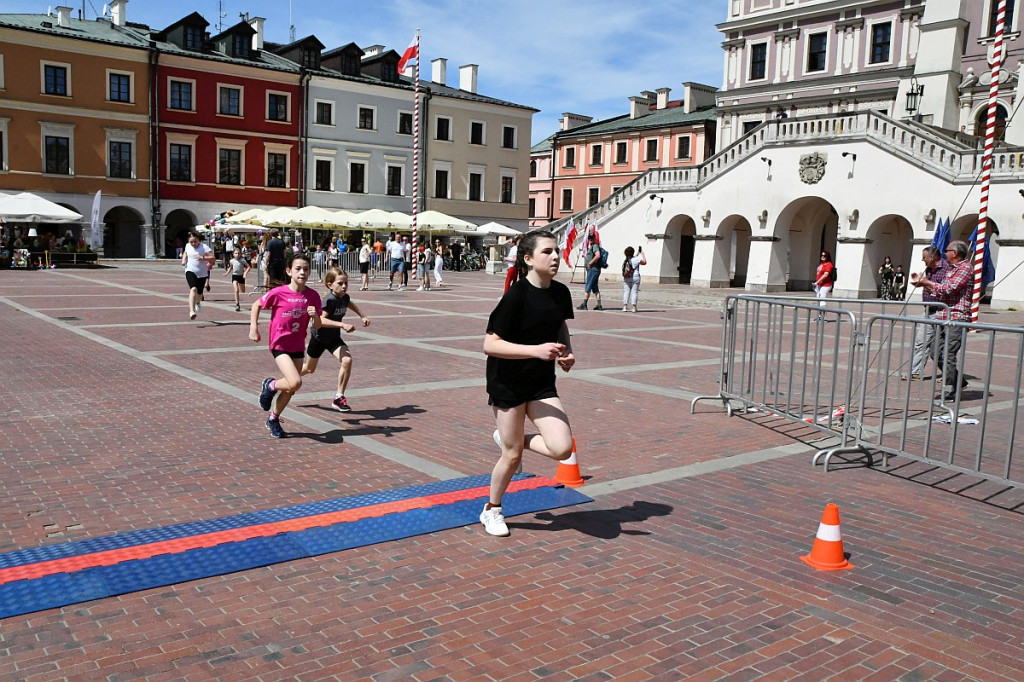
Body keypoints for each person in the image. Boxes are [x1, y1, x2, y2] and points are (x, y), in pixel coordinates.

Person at [480, 230, 576, 537]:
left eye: (557, 251)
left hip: (541, 381)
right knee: (512, 457)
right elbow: (489, 345)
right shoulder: (515, 296)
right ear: (528, 259)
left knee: (562, 449)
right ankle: (491, 510)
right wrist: (535, 351)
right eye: (547, 252)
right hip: (507, 382)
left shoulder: (561, 293)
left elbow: (559, 325)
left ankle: (513, 438)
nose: (556, 257)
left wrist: (567, 352)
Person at [250, 253, 323, 438]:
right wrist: (254, 328)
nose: (302, 272)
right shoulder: (279, 292)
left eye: (306, 269)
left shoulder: (312, 296)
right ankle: (270, 385)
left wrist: (314, 315)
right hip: (279, 344)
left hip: (298, 345)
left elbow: (318, 325)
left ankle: (273, 419)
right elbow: (256, 305)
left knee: (291, 388)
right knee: (296, 381)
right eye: (298, 269)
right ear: (289, 271)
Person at [910, 240, 972, 401]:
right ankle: (958, 381)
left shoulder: (965, 268)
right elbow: (940, 292)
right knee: (935, 351)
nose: (945, 253)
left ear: (955, 253)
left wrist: (927, 283)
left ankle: (950, 390)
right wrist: (924, 284)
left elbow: (949, 289)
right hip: (942, 316)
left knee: (948, 354)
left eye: (947, 250)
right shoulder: (951, 269)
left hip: (957, 317)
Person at [301, 268, 370, 413]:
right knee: (309, 369)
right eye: (340, 283)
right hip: (319, 338)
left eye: (346, 283)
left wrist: (362, 315)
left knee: (347, 360)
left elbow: (349, 303)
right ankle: (288, 380)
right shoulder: (329, 300)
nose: (344, 286)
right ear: (330, 284)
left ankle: (339, 397)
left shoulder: (344, 297)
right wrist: (342, 324)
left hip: (333, 338)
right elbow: (320, 320)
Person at [906, 245, 948, 381]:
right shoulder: (929, 269)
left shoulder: (947, 269)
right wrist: (920, 282)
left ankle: (949, 374)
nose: (922, 260)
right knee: (921, 341)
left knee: (939, 347)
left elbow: (943, 290)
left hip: (941, 311)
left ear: (932, 256)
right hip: (929, 310)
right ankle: (915, 372)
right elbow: (928, 285)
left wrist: (925, 283)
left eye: (924, 257)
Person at [181, 231, 215, 320]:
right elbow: (185, 252)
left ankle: (198, 302)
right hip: (190, 270)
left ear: (198, 240)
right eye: (191, 242)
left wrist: (202, 258)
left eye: (195, 241)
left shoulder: (204, 247)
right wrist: (183, 260)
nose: (193, 243)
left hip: (202, 273)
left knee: (199, 293)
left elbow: (213, 258)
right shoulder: (188, 246)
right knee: (193, 289)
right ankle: (192, 311)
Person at [577, 238, 604, 310]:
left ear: (594, 239)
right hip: (594, 269)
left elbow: (597, 255)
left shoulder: (595, 246)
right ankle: (599, 305)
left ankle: (584, 304)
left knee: (588, 287)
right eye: (589, 238)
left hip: (592, 269)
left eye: (592, 238)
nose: (590, 239)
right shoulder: (593, 246)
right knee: (595, 287)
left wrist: (590, 263)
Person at [224, 247, 251, 312]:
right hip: (234, 276)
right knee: (236, 290)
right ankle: (237, 304)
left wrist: (245, 273)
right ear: (233, 254)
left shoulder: (242, 260)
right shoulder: (231, 261)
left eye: (238, 253)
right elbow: (230, 267)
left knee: (243, 291)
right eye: (236, 253)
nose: (237, 254)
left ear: (240, 254)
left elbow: (249, 267)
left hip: (241, 276)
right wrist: (226, 273)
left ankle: (241, 285)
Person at [621, 245, 646, 313]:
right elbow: (644, 262)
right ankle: (634, 307)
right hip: (635, 276)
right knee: (634, 292)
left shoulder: (626, 260)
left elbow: (633, 258)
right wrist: (642, 254)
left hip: (626, 277)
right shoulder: (636, 259)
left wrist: (637, 253)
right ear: (633, 252)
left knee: (626, 292)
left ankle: (625, 307)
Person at [814, 249, 835, 319]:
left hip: (826, 285)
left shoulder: (829, 264)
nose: (822, 257)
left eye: (824, 256)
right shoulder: (821, 264)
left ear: (827, 257)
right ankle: (820, 315)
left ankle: (823, 317)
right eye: (822, 255)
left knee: (822, 300)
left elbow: (825, 275)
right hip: (819, 285)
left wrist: (817, 281)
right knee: (818, 300)